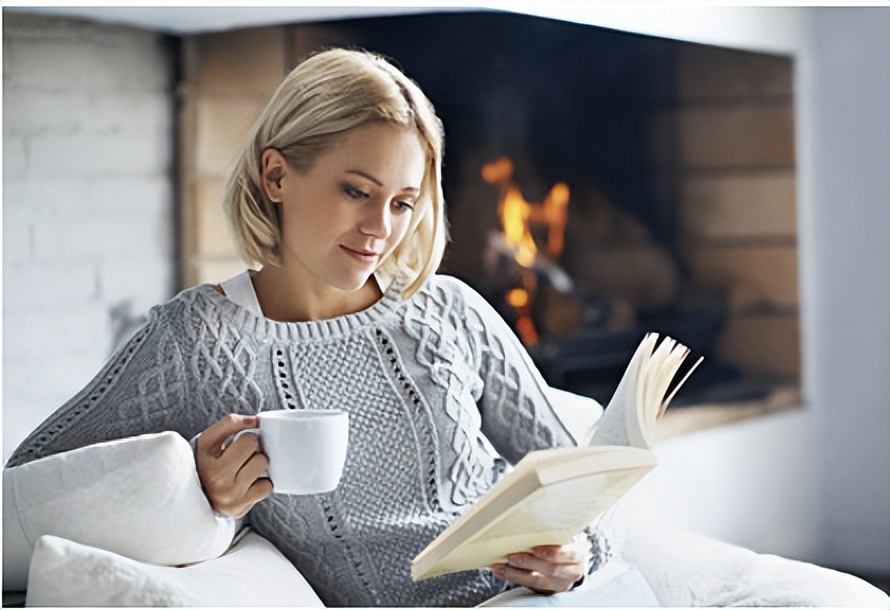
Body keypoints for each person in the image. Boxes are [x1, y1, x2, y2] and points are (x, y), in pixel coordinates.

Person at [7, 48, 607, 607]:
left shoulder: (448, 309)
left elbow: (588, 486)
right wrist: (198, 495)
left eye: (402, 203)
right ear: (276, 177)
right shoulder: (197, 341)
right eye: (356, 191)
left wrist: (578, 556)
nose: (380, 227)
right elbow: (26, 492)